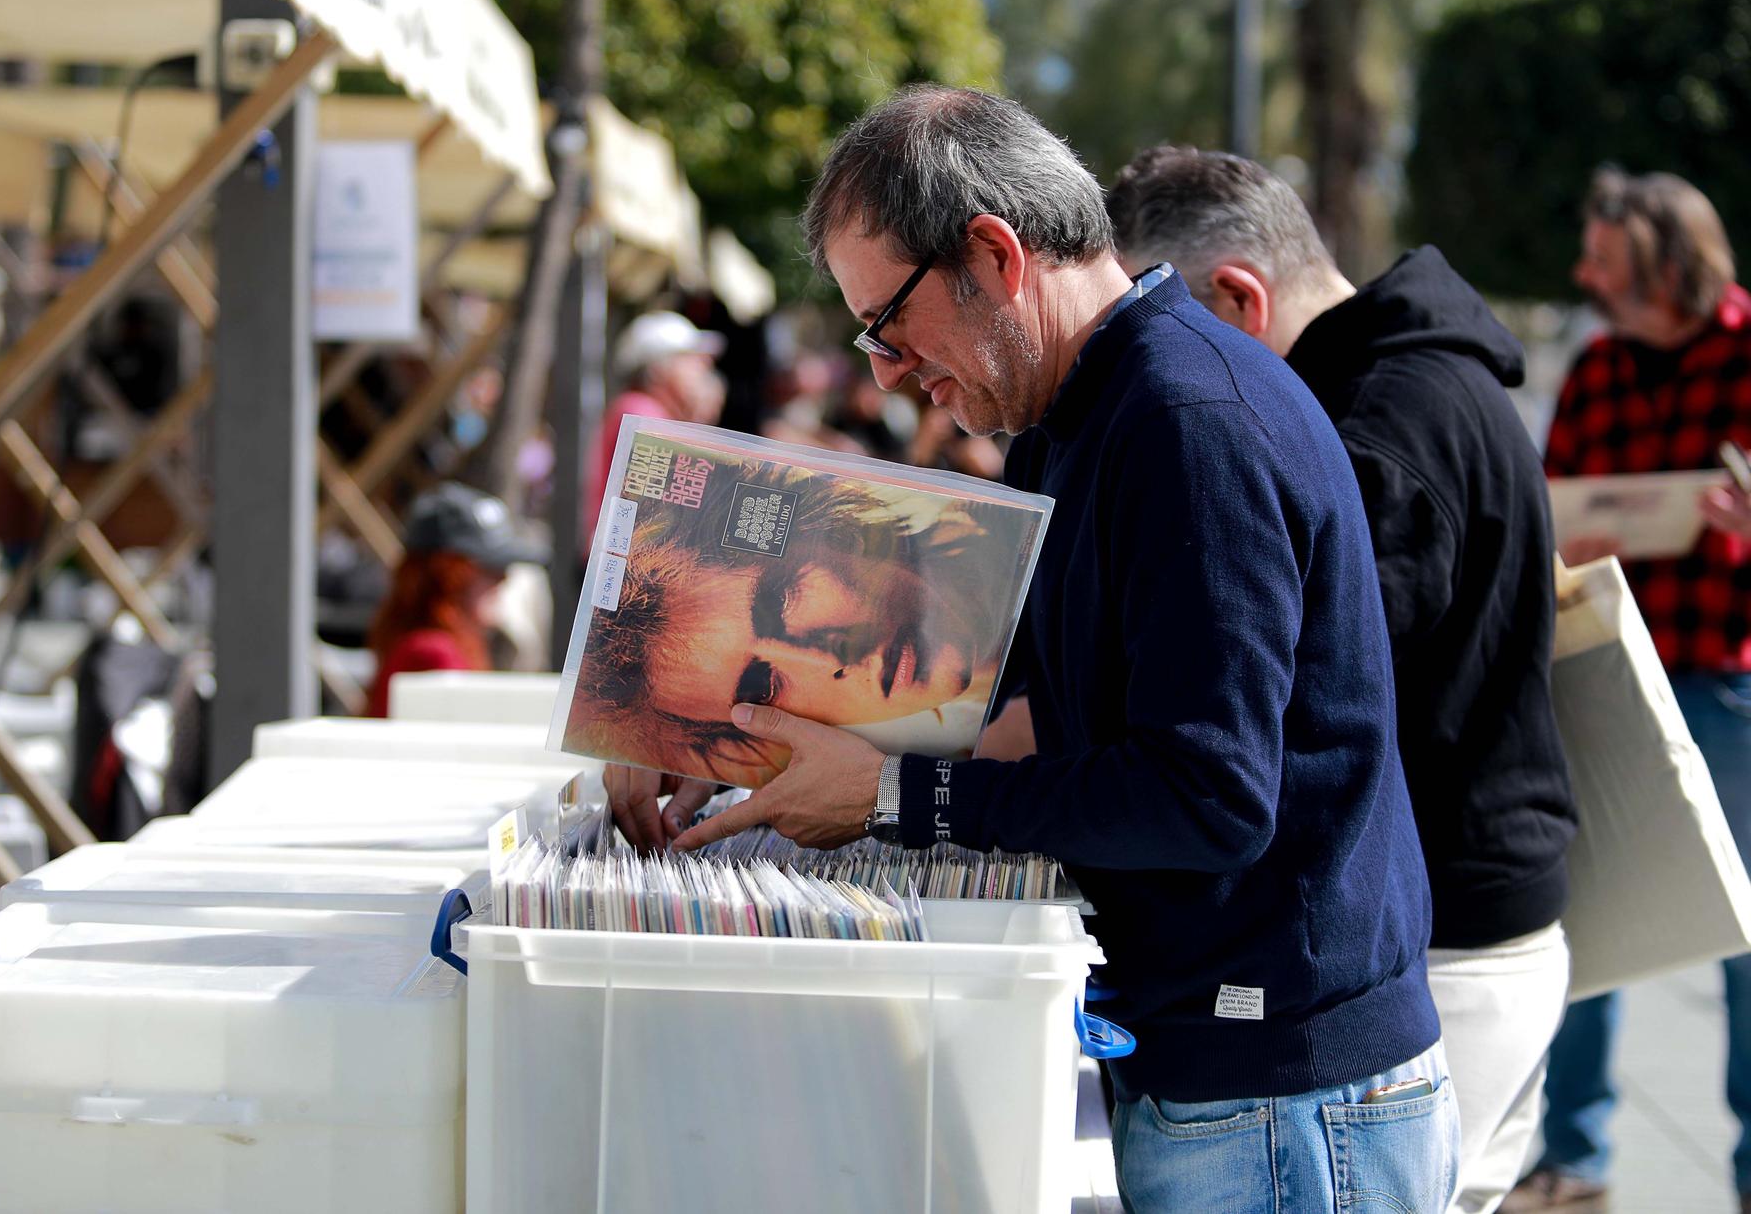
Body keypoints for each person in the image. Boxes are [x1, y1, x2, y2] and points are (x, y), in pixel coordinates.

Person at [654, 85, 1457, 1211]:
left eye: (885, 323)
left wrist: (893, 797)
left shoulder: (1187, 424)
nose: (883, 372)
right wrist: (694, 724)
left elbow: (1207, 794)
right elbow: (1015, 703)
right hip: (1220, 1071)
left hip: (1280, 1098)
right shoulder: (1076, 414)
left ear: (991, 255)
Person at [1105, 144, 1576, 1214]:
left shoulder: (1374, 420)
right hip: (1476, 916)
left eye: (1152, 325)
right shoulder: (1415, 382)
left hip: (1438, 943)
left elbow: (1293, 690)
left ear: (1234, 293)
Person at [1505, 168, 1751, 1214]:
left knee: (1742, 938)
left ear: (1658, 260)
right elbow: (1545, 504)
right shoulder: (1597, 366)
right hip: (1606, 665)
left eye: (1600, 258)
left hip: (1730, 679)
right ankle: (1576, 1160)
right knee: (1586, 919)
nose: (1582, 275)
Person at [570, 451, 1025, 794]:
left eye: (780, 601)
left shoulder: (1030, 523)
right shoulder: (957, 754)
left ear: (828, 529)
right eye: (762, 689)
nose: (829, 659)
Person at [364, 482, 547, 716]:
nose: (504, 579)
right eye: (489, 568)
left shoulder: (447, 644)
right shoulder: (432, 654)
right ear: (447, 573)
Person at [584, 311, 725, 540]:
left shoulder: (643, 411)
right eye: (690, 357)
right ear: (658, 369)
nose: (704, 364)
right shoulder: (642, 411)